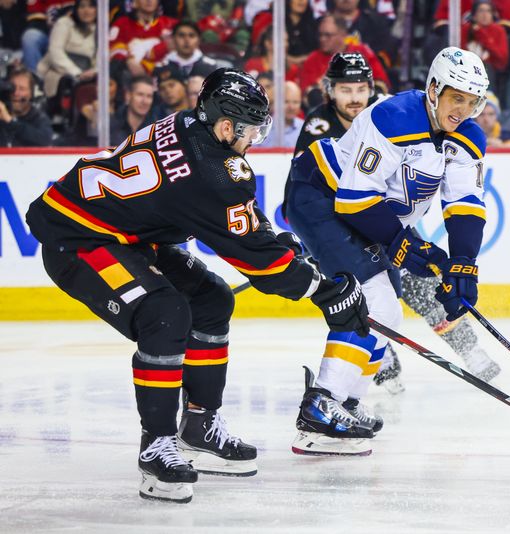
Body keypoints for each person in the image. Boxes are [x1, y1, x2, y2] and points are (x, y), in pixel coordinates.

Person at [25, 68, 369, 503]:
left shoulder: (191, 124)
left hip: (124, 236)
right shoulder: (212, 171)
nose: (253, 140)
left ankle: (199, 426)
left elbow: (234, 217)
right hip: (79, 241)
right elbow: (263, 266)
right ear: (226, 125)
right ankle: (156, 448)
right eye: (252, 131)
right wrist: (326, 291)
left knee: (211, 298)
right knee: (164, 315)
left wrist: (271, 240)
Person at [284, 47, 491, 456]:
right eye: (456, 98)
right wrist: (409, 248)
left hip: (369, 213)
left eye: (472, 101)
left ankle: (343, 404)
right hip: (320, 195)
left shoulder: (469, 136)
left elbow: (465, 202)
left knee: (387, 311)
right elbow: (354, 200)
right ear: (434, 89)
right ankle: (320, 408)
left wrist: (464, 265)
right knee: (374, 299)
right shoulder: (394, 117)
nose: (463, 110)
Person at [298, 14, 390, 102]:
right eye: (320, 35)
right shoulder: (313, 59)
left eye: (328, 35)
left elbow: (381, 84)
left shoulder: (362, 52)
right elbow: (306, 95)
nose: (322, 39)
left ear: (343, 35)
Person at [36, 0, 96, 98]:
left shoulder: (100, 30)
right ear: (76, 9)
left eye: (91, 7)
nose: (86, 11)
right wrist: (77, 73)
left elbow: (100, 58)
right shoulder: (64, 23)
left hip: (87, 75)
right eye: (82, 6)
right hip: (59, 71)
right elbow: (55, 52)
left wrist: (94, 72)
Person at [110, 0, 177, 76]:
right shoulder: (122, 24)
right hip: (130, 76)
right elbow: (114, 50)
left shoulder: (170, 24)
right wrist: (129, 60)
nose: (149, 1)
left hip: (164, 75)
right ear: (135, 3)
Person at [0, 67, 53, 146]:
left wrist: (10, 122)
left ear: (31, 93)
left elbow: (45, 141)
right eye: (12, 88)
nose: (16, 93)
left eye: (22, 89)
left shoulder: (38, 117)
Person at [110, 74, 158, 145]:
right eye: (140, 94)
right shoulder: (111, 125)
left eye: (149, 96)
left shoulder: (156, 129)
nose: (144, 101)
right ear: (128, 96)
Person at [255, 80, 304, 148]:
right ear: (276, 102)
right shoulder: (261, 128)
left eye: (295, 102)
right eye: (286, 102)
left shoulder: (305, 128)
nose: (291, 107)